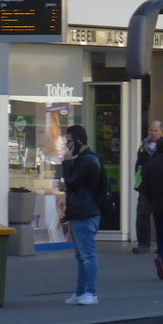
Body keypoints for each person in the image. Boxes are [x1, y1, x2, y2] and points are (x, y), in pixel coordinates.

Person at [58, 124, 103, 306]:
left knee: (87, 255)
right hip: (82, 211)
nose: (66, 146)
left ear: (76, 141)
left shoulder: (87, 160)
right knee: (81, 256)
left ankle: (90, 292)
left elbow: (72, 180)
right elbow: (74, 183)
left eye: (68, 141)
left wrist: (67, 162)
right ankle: (81, 291)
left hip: (86, 212)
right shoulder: (85, 159)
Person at [143, 137, 163, 281]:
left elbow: (145, 188)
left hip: (156, 205)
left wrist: (151, 202)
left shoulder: (150, 165)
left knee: (161, 238)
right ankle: (162, 258)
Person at [132, 120, 163, 253]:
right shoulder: (143, 145)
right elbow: (138, 164)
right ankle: (143, 244)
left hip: (161, 187)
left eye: (156, 130)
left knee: (161, 216)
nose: (153, 133)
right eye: (151, 130)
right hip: (145, 186)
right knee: (142, 214)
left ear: (161, 131)